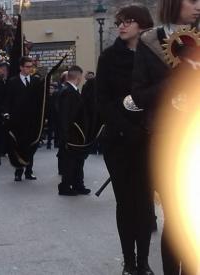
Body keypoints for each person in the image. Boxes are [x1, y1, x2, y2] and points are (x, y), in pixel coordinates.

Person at [126, 0, 200, 274]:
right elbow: (139, 95)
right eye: (191, 0)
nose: (198, 6)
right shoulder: (150, 42)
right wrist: (176, 80)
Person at [96, 5, 155, 275]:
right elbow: (102, 102)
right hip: (118, 141)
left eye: (128, 21)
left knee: (144, 203)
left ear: (143, 25)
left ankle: (143, 261)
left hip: (150, 139)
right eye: (119, 22)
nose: (121, 26)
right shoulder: (108, 58)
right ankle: (129, 261)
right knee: (126, 202)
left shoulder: (155, 55)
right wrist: (125, 129)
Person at [4, 56, 44, 182]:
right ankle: (18, 171)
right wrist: (6, 113)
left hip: (32, 120)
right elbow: (8, 100)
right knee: (19, 146)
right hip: (18, 121)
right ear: (21, 67)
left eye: (31, 66)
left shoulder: (35, 81)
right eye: (27, 66)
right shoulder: (12, 82)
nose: (29, 69)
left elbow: (40, 100)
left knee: (31, 146)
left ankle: (29, 171)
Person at [57, 65, 91, 196]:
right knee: (70, 162)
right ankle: (65, 187)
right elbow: (65, 116)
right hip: (72, 135)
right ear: (78, 77)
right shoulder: (68, 92)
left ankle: (78, 185)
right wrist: (65, 137)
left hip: (76, 134)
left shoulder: (71, 91)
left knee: (78, 161)